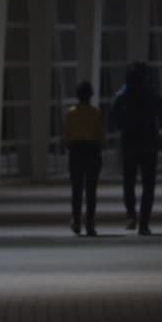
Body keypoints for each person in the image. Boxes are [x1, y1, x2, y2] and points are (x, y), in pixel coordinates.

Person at [110, 62, 162, 235]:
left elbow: (113, 114)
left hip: (129, 141)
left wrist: (122, 125)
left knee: (128, 179)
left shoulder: (124, 93)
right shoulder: (151, 93)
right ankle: (144, 223)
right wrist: (159, 125)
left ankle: (130, 213)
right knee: (148, 184)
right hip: (148, 141)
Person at [62, 80, 104, 236]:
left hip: (76, 151)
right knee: (91, 190)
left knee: (77, 189)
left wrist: (70, 146)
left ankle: (77, 221)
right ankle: (90, 224)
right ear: (91, 95)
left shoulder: (70, 112)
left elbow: (66, 135)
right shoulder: (96, 112)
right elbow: (100, 135)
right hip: (92, 151)